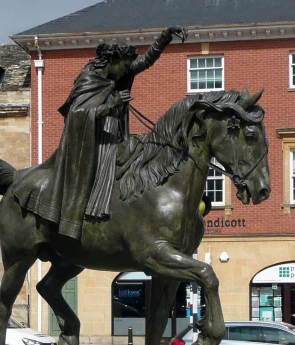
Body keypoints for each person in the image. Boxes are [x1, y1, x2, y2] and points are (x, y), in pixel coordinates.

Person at [15, 26, 187, 240]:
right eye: (124, 65)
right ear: (112, 61)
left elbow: (146, 61)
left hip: (116, 136)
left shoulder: (117, 75)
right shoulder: (88, 79)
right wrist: (110, 106)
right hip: (93, 143)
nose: (127, 70)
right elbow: (76, 115)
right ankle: (89, 217)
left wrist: (165, 37)